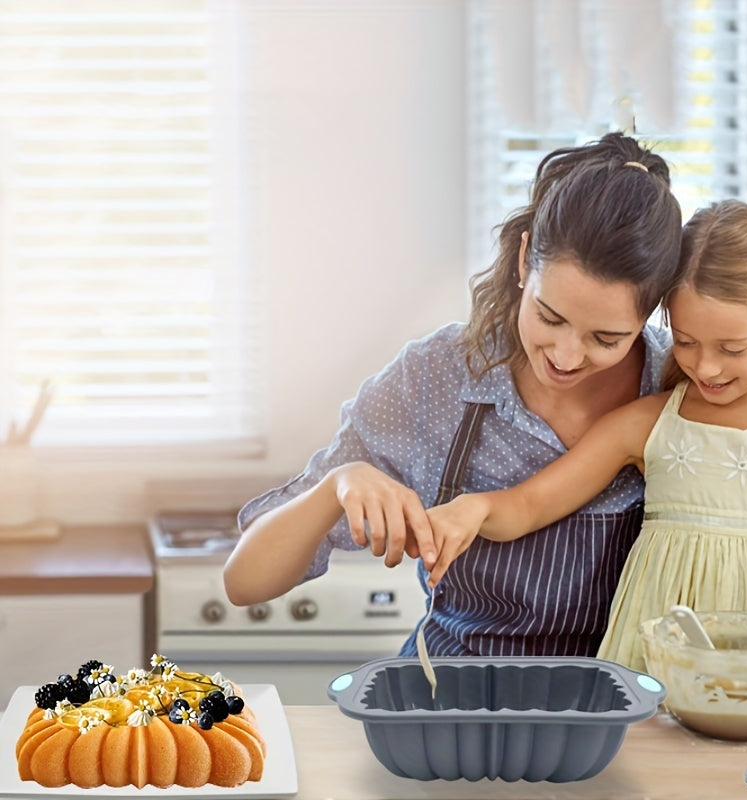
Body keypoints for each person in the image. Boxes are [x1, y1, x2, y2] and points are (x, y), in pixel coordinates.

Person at [223, 131, 683, 658]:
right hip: (453, 700)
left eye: (607, 339)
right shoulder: (436, 377)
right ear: (525, 257)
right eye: (548, 317)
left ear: (651, 312)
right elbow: (246, 582)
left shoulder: (676, 387)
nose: (566, 355)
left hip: (621, 705)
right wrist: (338, 484)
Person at [425, 199, 747, 670]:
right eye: (684, 341)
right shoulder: (647, 423)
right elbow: (530, 504)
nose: (705, 366)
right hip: (661, 660)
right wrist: (474, 508)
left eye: (732, 348)